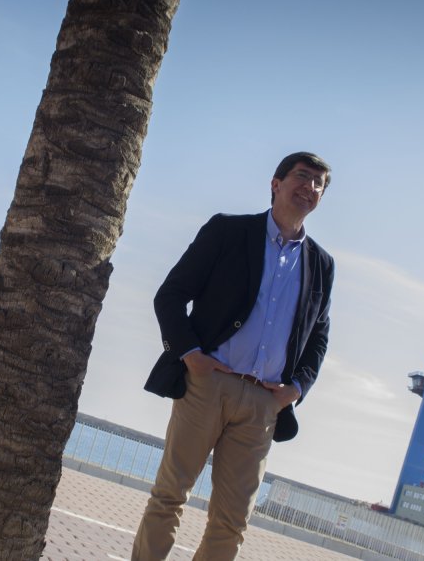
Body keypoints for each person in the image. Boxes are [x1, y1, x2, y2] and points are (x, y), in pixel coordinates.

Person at [131, 151, 336, 560]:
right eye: (302, 176)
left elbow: (319, 337)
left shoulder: (322, 265)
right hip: (207, 385)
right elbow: (170, 295)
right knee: (170, 496)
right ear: (276, 184)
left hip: (264, 403)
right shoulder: (228, 231)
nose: (310, 187)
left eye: (319, 183)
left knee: (232, 521)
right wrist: (191, 356)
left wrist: (295, 389)